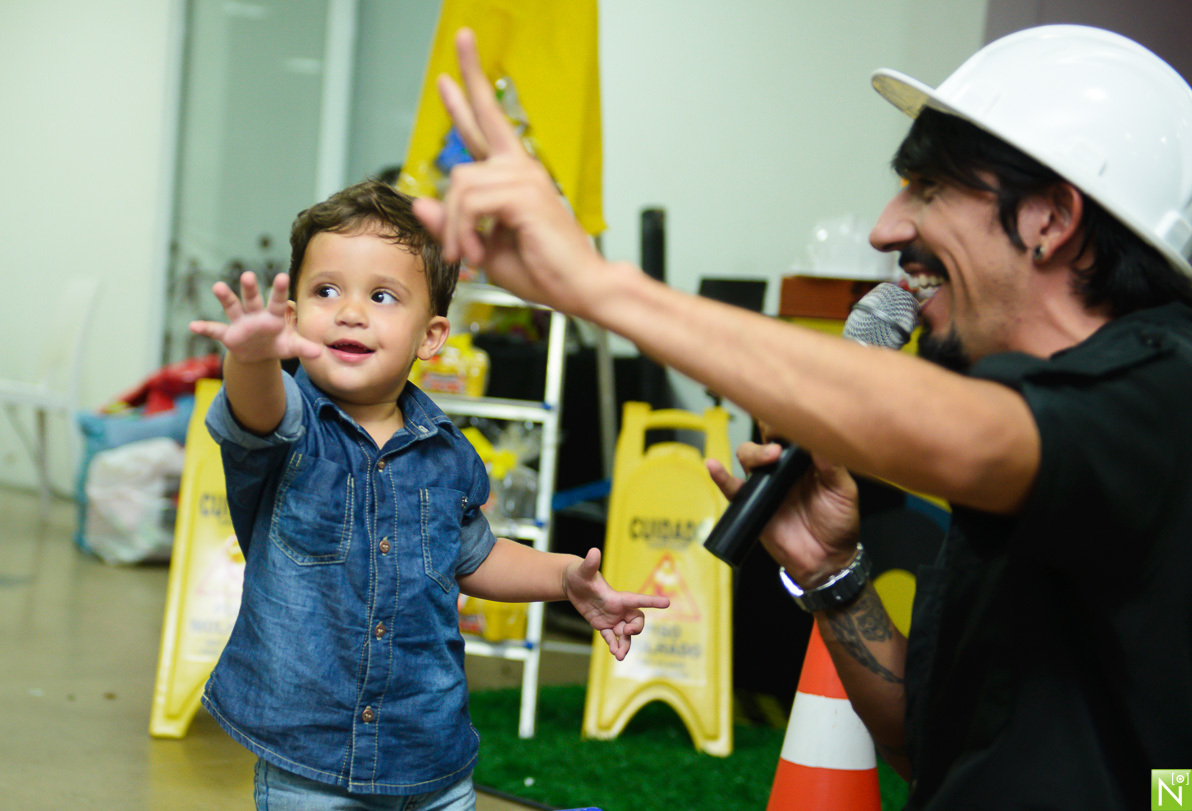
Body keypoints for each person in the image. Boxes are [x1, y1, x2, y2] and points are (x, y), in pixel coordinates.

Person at [412, 25, 1192, 810]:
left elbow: (978, 437)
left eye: (928, 189)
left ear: (1050, 218)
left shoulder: (1166, 385)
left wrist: (598, 286)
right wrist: (831, 573)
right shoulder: (1047, 449)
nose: (886, 228)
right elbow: (922, 744)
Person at [188, 178, 669, 809]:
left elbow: (474, 556)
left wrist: (564, 578)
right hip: (311, 764)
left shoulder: (448, 452)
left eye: (382, 296)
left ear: (431, 336)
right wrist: (252, 359)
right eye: (326, 291)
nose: (350, 312)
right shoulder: (291, 427)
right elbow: (254, 410)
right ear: (292, 317)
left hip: (432, 755)